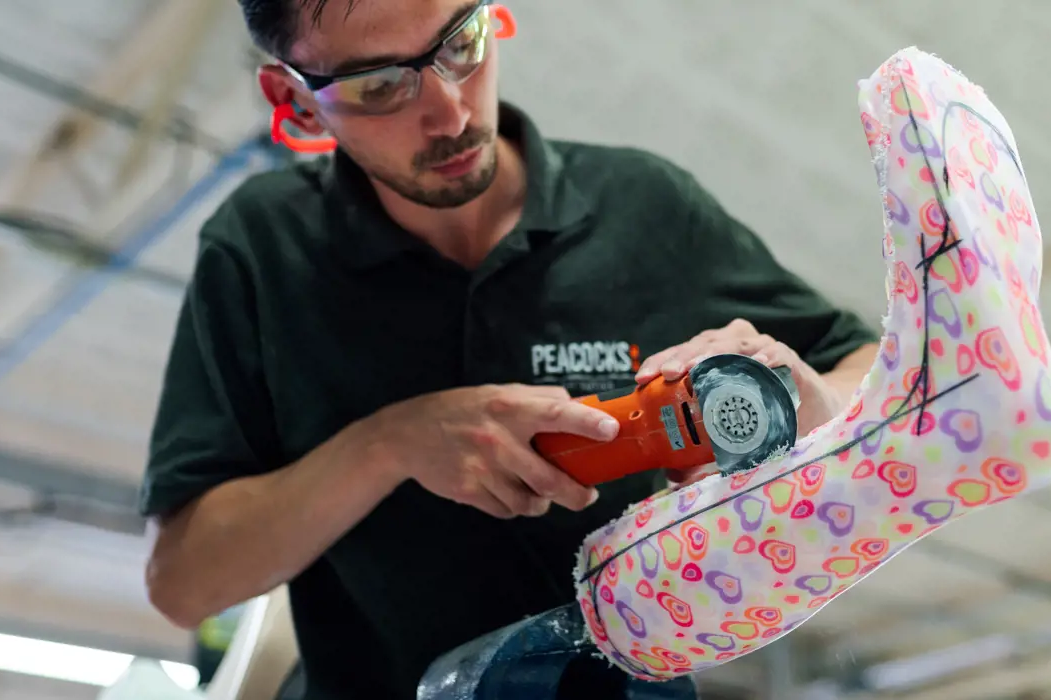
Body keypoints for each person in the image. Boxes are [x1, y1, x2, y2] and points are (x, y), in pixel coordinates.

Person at [138, 0, 881, 697]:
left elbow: (865, 366)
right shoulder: (265, 248)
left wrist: (811, 400)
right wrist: (390, 442)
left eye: (461, 44)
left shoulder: (643, 206)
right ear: (296, 99)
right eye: (378, 86)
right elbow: (184, 583)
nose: (451, 111)